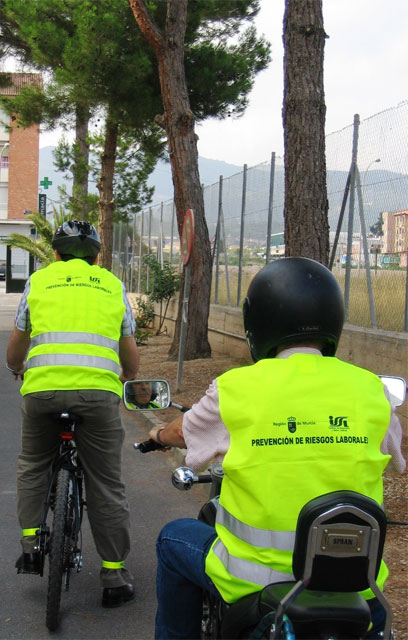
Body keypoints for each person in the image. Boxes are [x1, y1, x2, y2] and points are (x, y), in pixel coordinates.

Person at [148, 257, 405, 639]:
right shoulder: (372, 389)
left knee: (172, 538)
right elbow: (395, 459)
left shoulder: (236, 389)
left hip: (256, 583)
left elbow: (183, 433)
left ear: (257, 323)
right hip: (359, 591)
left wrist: (156, 435)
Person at [6, 220, 139, 608]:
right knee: (106, 483)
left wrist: (15, 366)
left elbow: (18, 344)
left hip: (42, 394)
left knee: (33, 463)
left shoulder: (40, 282)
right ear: (97, 257)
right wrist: (129, 376)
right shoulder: (112, 285)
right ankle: (114, 575)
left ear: (58, 254)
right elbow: (128, 352)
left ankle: (31, 545)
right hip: (98, 398)